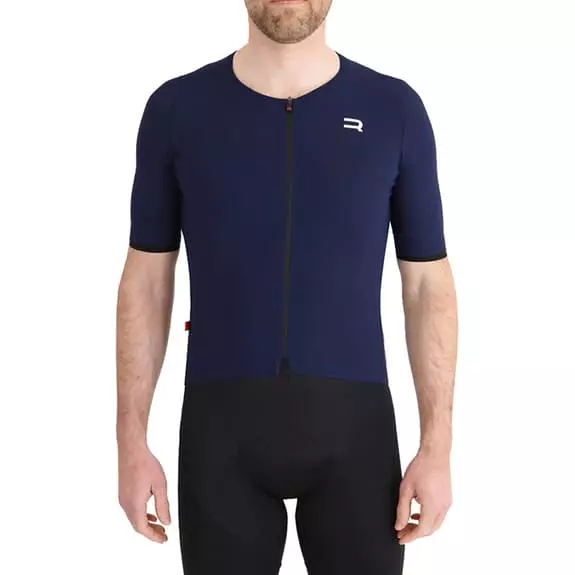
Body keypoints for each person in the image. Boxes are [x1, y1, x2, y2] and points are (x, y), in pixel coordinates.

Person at [116, 0, 458, 573]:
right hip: (220, 442)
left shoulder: (393, 110)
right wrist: (130, 441)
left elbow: (428, 284)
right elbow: (146, 280)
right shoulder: (177, 110)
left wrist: (437, 446)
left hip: (357, 442)